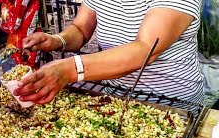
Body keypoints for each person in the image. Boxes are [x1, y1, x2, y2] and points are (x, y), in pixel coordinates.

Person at [14, 0, 205, 106]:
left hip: (172, 103)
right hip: (115, 98)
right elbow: (80, 29)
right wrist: (57, 40)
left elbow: (145, 49)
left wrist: (69, 69)